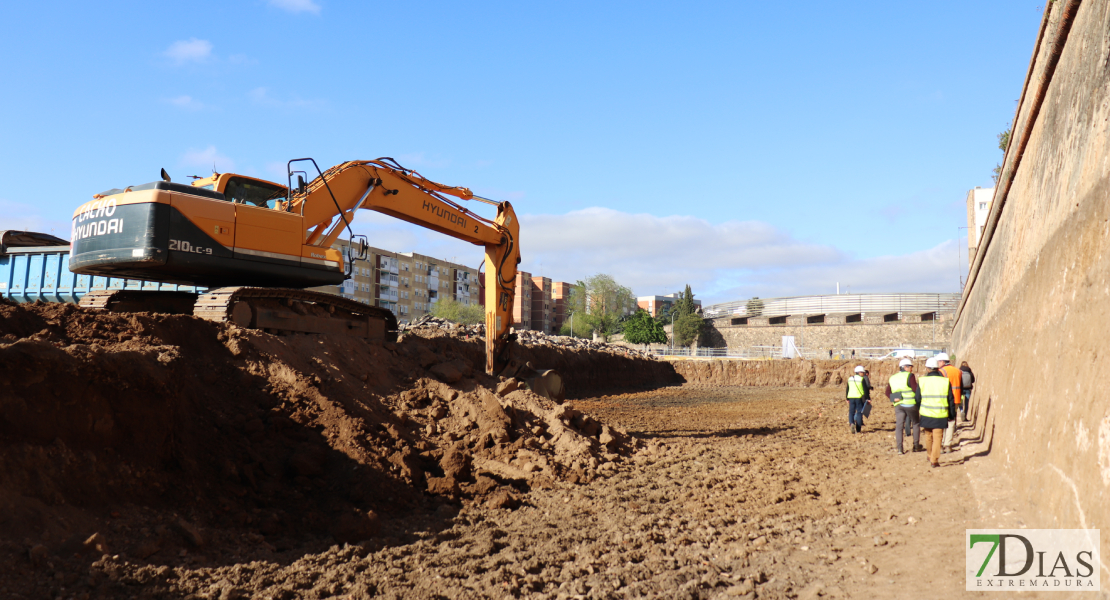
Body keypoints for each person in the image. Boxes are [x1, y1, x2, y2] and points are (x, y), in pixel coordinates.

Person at [918, 357, 955, 467]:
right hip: (940, 414)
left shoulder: (922, 381)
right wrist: (951, 414)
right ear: (938, 368)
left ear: (927, 369)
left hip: (926, 414)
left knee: (928, 436)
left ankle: (930, 455)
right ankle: (934, 460)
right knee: (938, 438)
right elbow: (950, 399)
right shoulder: (945, 381)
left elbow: (917, 398)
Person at [885, 358, 921, 454]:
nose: (911, 369)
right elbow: (915, 389)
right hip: (910, 404)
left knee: (899, 426)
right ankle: (916, 445)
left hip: (898, 405)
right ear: (905, 367)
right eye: (910, 367)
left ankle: (900, 449)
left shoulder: (892, 377)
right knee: (916, 423)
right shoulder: (910, 376)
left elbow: (887, 392)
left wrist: (893, 398)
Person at [935, 352, 962, 453]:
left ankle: (941, 445)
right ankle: (948, 445)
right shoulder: (958, 371)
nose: (937, 363)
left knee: (942, 421)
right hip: (956, 399)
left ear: (942, 361)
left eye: (938, 361)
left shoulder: (941, 371)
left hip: (944, 399)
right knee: (951, 422)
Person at [845, 366, 871, 434]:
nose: (863, 373)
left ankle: (851, 423)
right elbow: (865, 390)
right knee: (859, 412)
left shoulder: (850, 379)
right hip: (859, 397)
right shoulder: (862, 379)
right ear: (859, 372)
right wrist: (868, 398)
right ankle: (858, 428)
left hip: (851, 397)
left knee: (851, 412)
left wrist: (847, 398)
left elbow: (847, 389)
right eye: (862, 372)